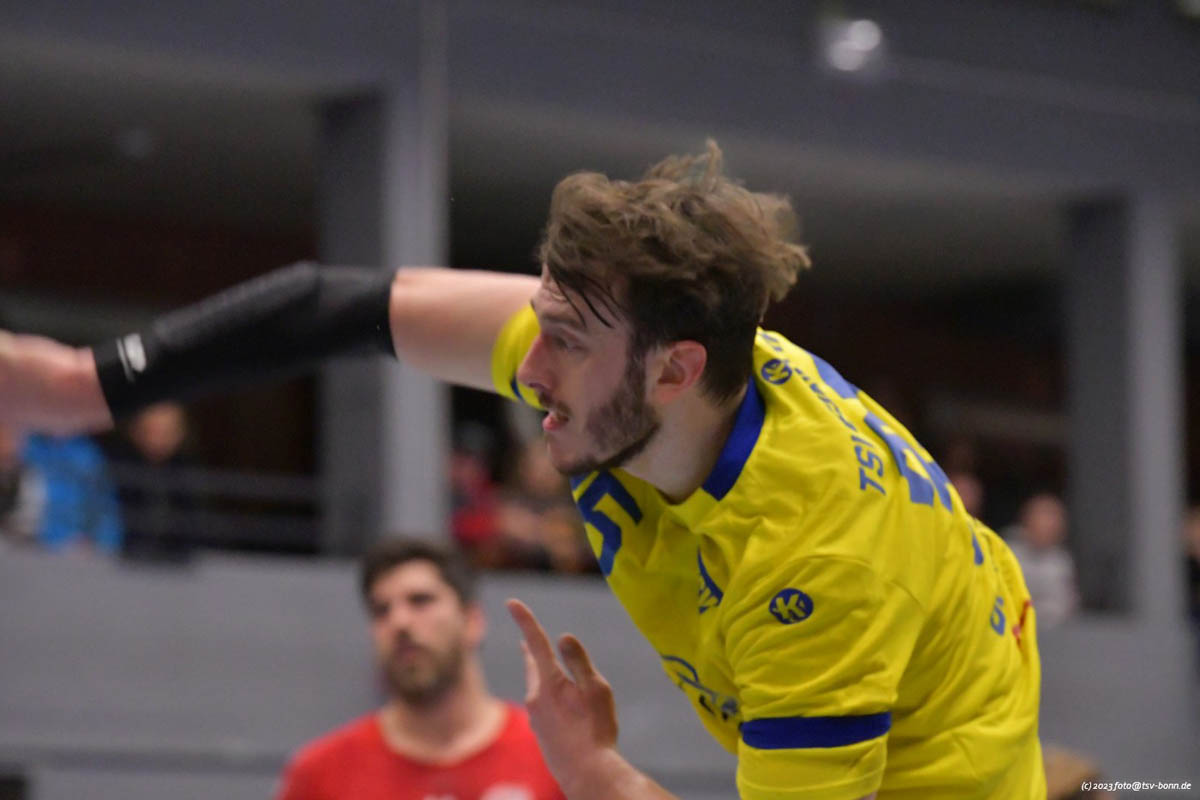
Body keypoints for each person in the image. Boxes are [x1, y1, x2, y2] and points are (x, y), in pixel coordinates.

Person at [0, 141, 1043, 798]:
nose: (528, 369)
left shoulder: (815, 574)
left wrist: (597, 776)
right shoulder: (635, 364)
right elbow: (337, 304)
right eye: (539, 323)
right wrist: (76, 384)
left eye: (565, 343)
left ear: (676, 370)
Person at [276, 537, 564, 800]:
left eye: (420, 600)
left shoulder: (554, 761)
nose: (399, 622)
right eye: (381, 611)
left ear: (472, 621)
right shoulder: (320, 775)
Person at [1004, 493, 1079, 630]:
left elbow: (1065, 606)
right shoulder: (1007, 552)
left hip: (1051, 633)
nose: (1047, 525)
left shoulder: (1061, 562)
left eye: (1053, 520)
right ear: (1027, 519)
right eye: (1042, 517)